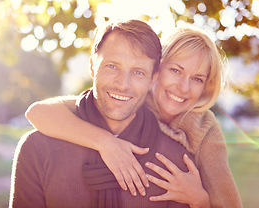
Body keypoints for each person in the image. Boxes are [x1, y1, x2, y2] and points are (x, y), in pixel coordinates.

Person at [25, 26, 243, 207]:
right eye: (175, 71)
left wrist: (200, 200)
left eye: (197, 79)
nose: (183, 88)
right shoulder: (130, 100)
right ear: (157, 71)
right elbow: (39, 113)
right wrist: (105, 142)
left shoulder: (204, 130)